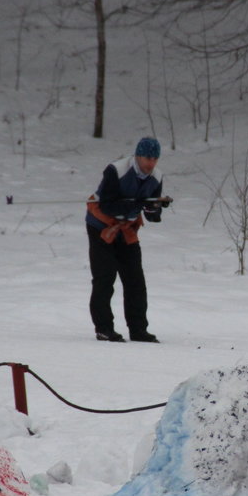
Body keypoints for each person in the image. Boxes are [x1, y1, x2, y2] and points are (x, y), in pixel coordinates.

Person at [86, 137, 172, 343]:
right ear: (137, 155)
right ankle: (104, 328)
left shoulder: (157, 177)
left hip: (127, 229)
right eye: (147, 158)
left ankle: (138, 329)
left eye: (155, 159)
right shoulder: (116, 170)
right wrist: (137, 203)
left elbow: (152, 216)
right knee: (105, 278)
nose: (151, 163)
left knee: (135, 280)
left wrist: (155, 207)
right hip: (101, 227)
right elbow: (107, 205)